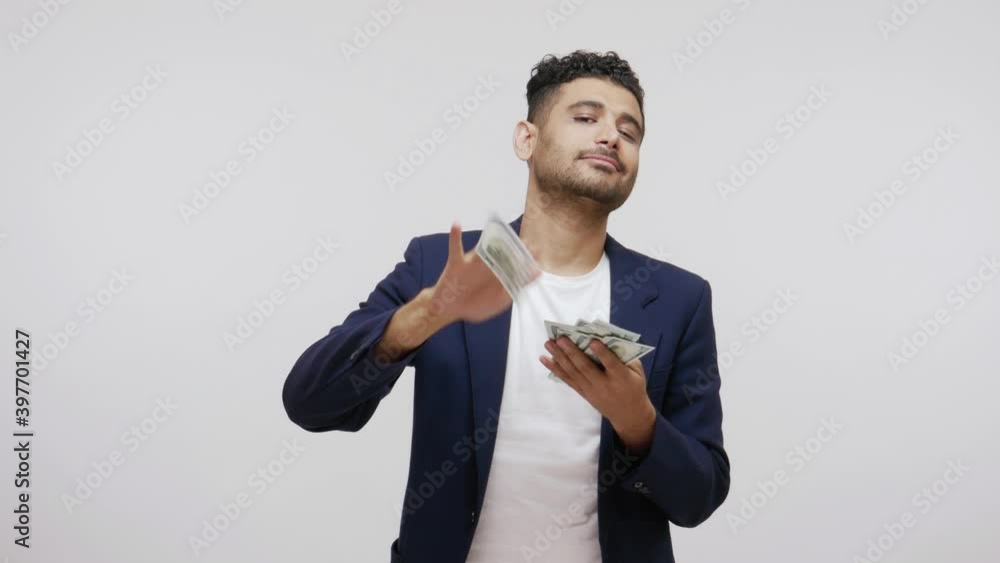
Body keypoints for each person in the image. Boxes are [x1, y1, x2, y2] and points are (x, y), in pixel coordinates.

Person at [282, 49, 730, 563]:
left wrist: (638, 422)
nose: (611, 136)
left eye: (630, 132)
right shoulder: (440, 266)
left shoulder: (678, 298)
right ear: (527, 139)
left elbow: (699, 498)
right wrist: (423, 316)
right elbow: (309, 404)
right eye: (586, 118)